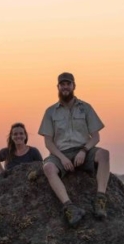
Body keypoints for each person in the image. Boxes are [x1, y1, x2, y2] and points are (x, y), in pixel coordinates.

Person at [38, 72, 110, 227]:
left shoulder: (86, 108)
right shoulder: (50, 112)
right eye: (62, 84)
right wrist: (62, 158)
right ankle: (69, 207)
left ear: (74, 86)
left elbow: (96, 137)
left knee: (104, 154)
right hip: (60, 152)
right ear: (57, 87)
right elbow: (48, 142)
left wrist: (84, 150)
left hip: (83, 150)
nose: (65, 87)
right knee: (48, 168)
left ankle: (100, 200)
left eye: (68, 84)